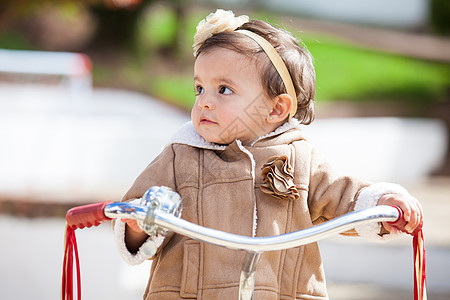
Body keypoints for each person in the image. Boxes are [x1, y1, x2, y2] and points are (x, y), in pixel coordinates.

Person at [113, 9, 423, 300]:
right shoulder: (181, 155)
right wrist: (138, 224)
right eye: (199, 88)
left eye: (223, 90)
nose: (204, 102)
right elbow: (136, 207)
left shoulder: (300, 159)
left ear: (276, 109)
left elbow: (346, 196)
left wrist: (381, 205)